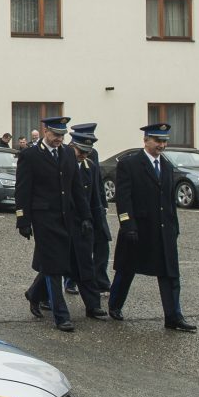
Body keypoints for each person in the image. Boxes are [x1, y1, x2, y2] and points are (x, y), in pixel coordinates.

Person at [110, 122, 195, 332]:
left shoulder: (166, 166)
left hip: (163, 231)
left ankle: (173, 316)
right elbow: (123, 198)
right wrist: (127, 224)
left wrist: (174, 226)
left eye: (164, 141)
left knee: (170, 274)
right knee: (126, 270)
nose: (162, 145)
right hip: (138, 229)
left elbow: (168, 201)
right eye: (158, 141)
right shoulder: (129, 164)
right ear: (146, 140)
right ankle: (115, 305)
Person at [13, 117, 93, 332]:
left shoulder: (67, 153)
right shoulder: (30, 155)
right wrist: (23, 220)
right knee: (53, 266)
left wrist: (85, 216)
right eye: (56, 134)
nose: (59, 139)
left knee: (59, 261)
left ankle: (34, 294)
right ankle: (61, 316)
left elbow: (76, 187)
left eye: (62, 135)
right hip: (43, 218)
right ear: (45, 131)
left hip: (66, 216)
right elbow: (23, 189)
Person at [69, 123, 111, 292]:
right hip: (75, 211)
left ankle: (100, 281)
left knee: (102, 244)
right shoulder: (68, 156)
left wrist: (103, 204)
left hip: (94, 207)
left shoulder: (92, 154)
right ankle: (70, 281)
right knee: (72, 250)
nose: (87, 151)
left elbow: (97, 181)